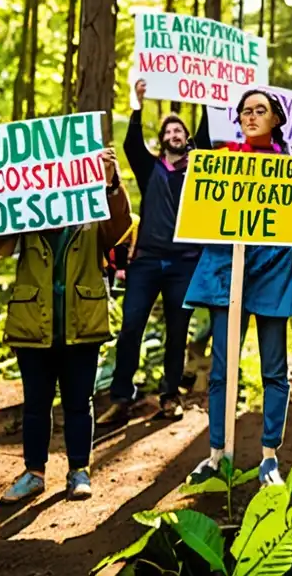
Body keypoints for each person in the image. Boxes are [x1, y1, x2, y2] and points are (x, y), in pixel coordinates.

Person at [0, 149, 132, 503]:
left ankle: (79, 472)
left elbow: (118, 229)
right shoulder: (23, 212)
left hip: (81, 323)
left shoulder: (91, 211)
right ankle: (33, 473)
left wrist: (112, 182)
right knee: (36, 403)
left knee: (78, 402)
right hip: (33, 324)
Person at [185, 89, 292, 488]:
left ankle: (270, 456)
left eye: (260, 111)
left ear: (276, 119)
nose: (251, 116)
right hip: (228, 274)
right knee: (222, 370)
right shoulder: (221, 162)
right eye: (245, 112)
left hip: (273, 272)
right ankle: (218, 452)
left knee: (274, 370)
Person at [99, 80, 205, 425]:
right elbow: (131, 144)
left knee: (177, 332)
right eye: (169, 130)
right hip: (145, 261)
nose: (175, 133)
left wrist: (205, 95)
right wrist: (137, 103)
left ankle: (170, 396)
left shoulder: (203, 169)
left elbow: (206, 132)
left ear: (187, 138)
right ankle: (121, 398)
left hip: (184, 264)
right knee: (131, 327)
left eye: (180, 129)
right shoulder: (151, 170)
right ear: (162, 139)